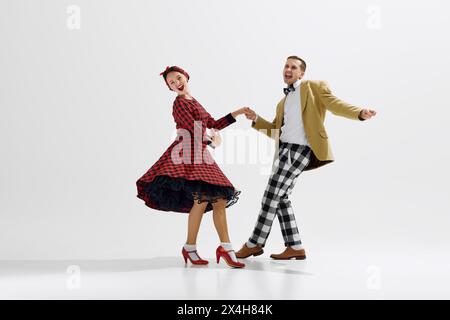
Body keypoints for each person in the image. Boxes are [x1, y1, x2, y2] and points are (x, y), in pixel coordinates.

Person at [237, 56, 377, 260]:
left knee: (270, 195)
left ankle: (255, 243)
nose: (288, 69)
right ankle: (295, 246)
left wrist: (359, 113)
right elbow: (276, 131)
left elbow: (334, 104)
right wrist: (256, 119)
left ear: (301, 73)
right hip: (284, 150)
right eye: (286, 65)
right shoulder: (283, 102)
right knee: (281, 197)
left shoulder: (313, 87)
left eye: (293, 67)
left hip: (300, 150)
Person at [136, 66, 247, 268]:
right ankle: (207, 248)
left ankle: (212, 247)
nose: (177, 83)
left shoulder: (194, 101)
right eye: (172, 83)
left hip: (200, 153)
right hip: (187, 153)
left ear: (186, 77)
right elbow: (193, 129)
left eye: (179, 78)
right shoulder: (178, 104)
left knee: (216, 200)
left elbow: (212, 122)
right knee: (205, 199)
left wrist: (237, 113)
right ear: (170, 88)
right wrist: (212, 141)